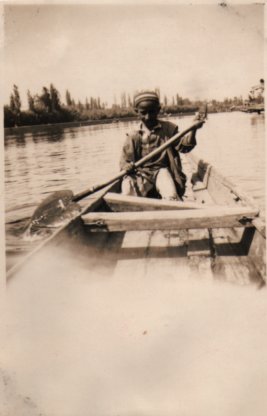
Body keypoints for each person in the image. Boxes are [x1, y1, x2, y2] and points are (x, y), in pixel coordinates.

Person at [120, 90, 204, 200]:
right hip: (141, 174)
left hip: (162, 171)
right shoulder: (133, 135)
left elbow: (184, 147)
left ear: (158, 110)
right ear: (137, 112)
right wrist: (127, 166)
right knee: (127, 191)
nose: (148, 117)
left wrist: (193, 130)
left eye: (152, 112)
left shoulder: (169, 129)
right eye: (143, 112)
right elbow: (124, 161)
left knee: (170, 196)